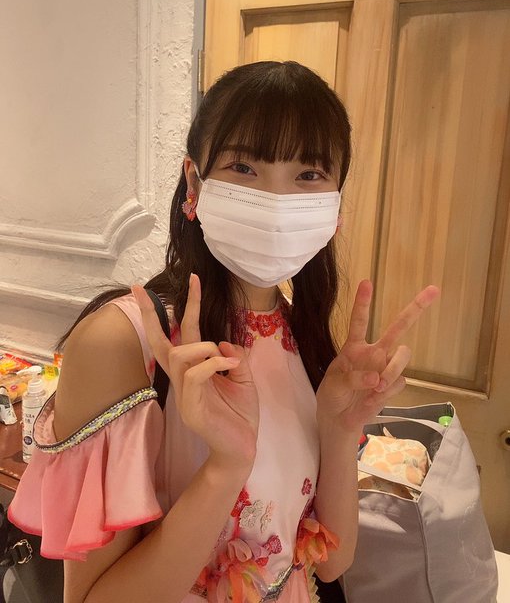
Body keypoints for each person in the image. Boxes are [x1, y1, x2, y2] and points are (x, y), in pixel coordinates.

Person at [8, 61, 439, 603]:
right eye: (244, 166)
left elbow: (331, 565)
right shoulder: (121, 342)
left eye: (308, 174)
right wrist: (224, 467)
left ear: (335, 205)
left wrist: (337, 427)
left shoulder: (302, 336)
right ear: (194, 182)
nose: (276, 203)